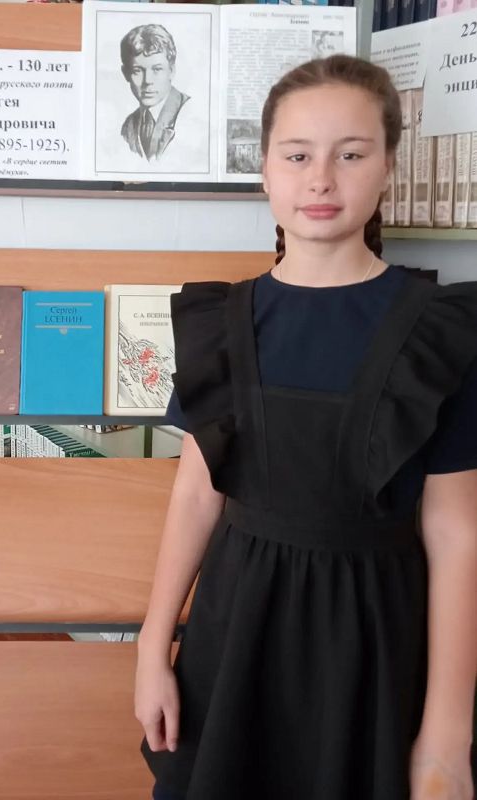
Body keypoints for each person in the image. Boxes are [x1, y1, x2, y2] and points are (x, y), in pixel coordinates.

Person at [135, 54, 477, 800]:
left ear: (388, 167)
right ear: (264, 169)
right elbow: (195, 497)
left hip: (379, 642)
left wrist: (448, 739)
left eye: (350, 155)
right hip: (234, 634)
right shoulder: (220, 324)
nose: (321, 179)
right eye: (297, 156)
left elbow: (457, 535)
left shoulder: (439, 331)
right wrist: (152, 647)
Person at [120, 25, 190, 162]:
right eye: (137, 70)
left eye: (157, 69)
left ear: (171, 71)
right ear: (126, 73)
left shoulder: (190, 113)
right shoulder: (128, 126)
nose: (148, 81)